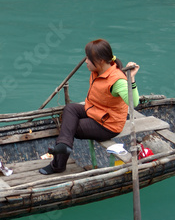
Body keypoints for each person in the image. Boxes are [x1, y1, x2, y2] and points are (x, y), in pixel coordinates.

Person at [39, 39, 140, 175]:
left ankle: (58, 165)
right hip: (94, 110)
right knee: (70, 109)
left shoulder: (117, 80)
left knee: (72, 126)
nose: (86, 61)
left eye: (89, 58)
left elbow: (134, 102)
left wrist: (131, 78)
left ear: (101, 61)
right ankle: (63, 145)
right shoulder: (98, 70)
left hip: (108, 124)